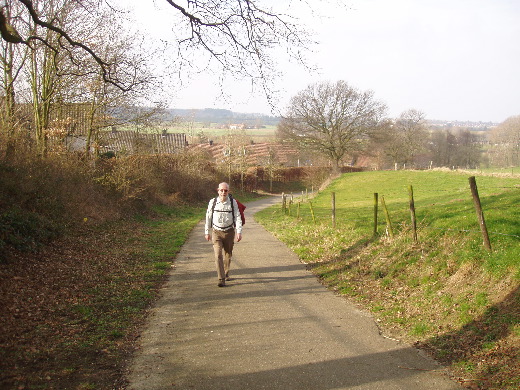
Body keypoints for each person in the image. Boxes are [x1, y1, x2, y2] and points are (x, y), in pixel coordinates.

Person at [205, 182, 243, 287]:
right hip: (216, 232)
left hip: (229, 232)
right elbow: (208, 217)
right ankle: (221, 279)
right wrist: (207, 232)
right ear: (218, 190)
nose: (223, 192)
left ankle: (226, 272)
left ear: (228, 191)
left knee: (228, 254)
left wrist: (239, 231)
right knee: (218, 255)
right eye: (221, 190)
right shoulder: (212, 202)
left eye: (225, 190)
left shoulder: (233, 202)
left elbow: (238, 217)